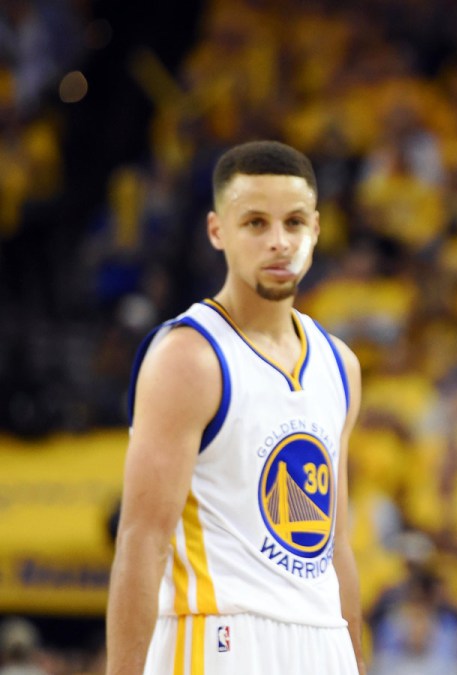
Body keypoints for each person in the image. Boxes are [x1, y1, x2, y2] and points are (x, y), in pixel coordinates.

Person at [106, 141, 366, 675]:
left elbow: (335, 546)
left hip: (323, 644)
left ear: (316, 230)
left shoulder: (341, 365)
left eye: (294, 223)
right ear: (217, 231)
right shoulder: (189, 356)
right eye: (255, 223)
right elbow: (142, 538)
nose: (279, 242)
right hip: (218, 638)